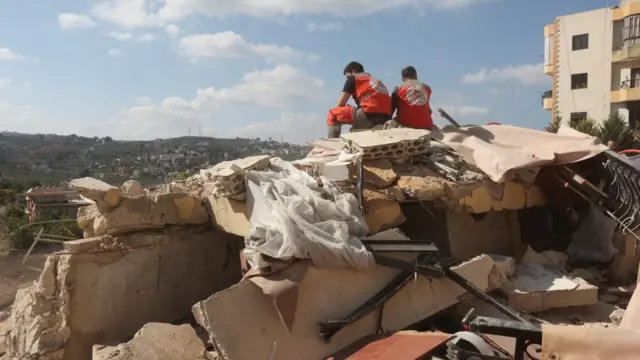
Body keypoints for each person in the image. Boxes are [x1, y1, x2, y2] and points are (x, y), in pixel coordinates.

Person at [326, 61, 392, 138]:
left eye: (347, 76)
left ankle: (333, 143)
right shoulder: (374, 81)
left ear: (353, 71)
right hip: (386, 118)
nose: (347, 79)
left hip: (368, 115)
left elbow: (340, 105)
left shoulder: (354, 78)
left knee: (333, 114)